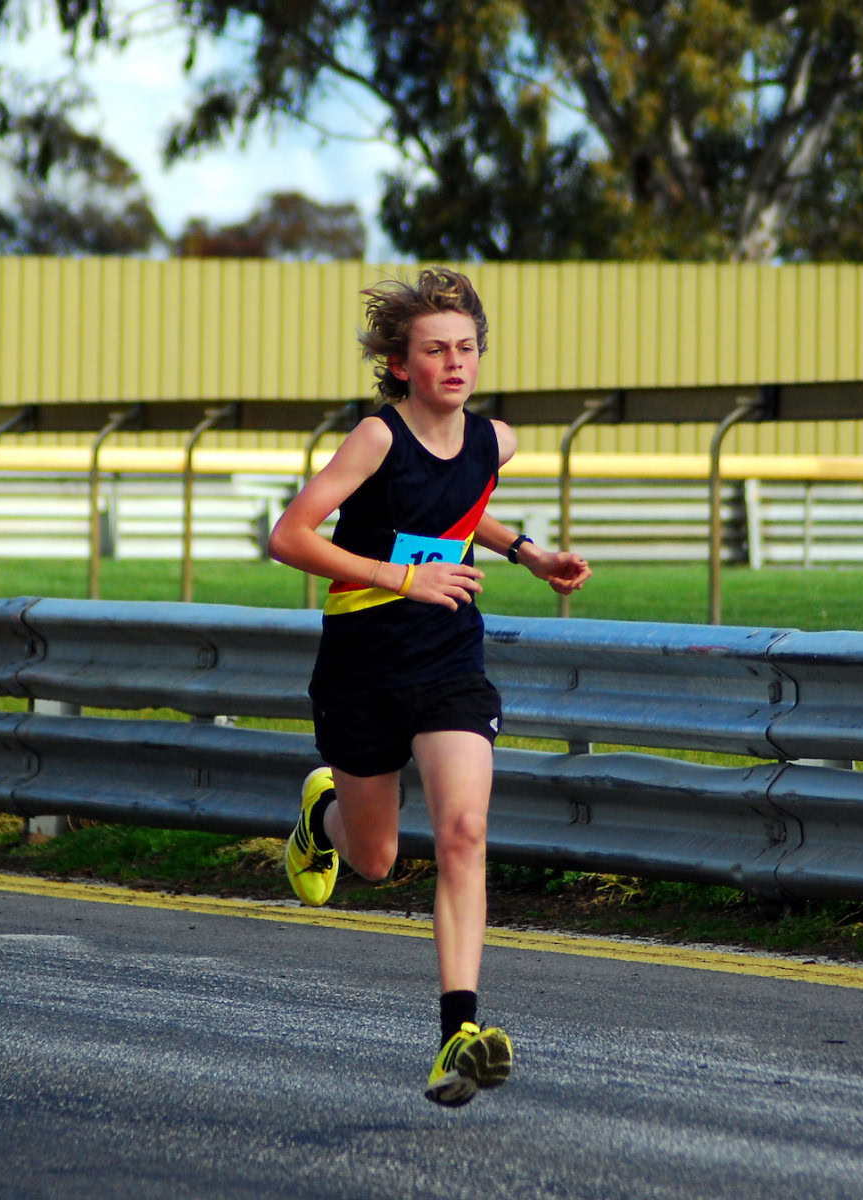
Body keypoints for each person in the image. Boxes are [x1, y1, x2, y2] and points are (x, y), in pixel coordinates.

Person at [266, 267, 592, 1107]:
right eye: (436, 351)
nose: (455, 363)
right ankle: (320, 814)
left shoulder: (497, 442)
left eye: (467, 349)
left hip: (449, 659)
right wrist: (398, 579)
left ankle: (458, 1034)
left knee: (463, 829)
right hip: (363, 664)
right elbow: (291, 535)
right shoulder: (375, 439)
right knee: (374, 860)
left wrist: (530, 554)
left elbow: (462, 504)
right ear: (402, 365)